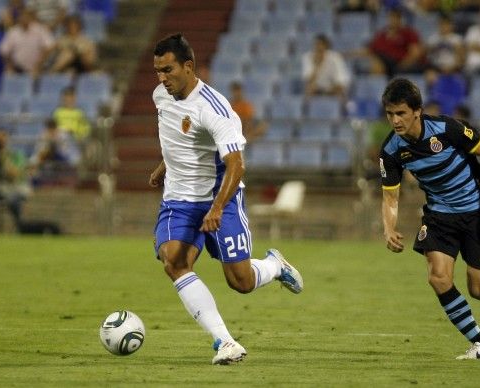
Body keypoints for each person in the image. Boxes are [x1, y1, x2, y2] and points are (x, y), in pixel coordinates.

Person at [148, 34, 304, 365]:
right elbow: (179, 136)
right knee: (174, 261)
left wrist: (218, 207)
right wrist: (165, 164)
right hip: (179, 198)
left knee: (241, 282)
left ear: (188, 67)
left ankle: (275, 265)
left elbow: (236, 164)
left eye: (168, 70)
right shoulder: (161, 95)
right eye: (158, 71)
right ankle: (225, 341)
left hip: (221, 196)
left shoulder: (215, 108)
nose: (162, 78)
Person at [378, 78, 480, 359]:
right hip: (439, 216)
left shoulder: (447, 128)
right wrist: (389, 227)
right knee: (438, 277)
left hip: (477, 210)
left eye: (400, 113)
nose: (395, 120)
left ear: (417, 111)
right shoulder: (391, 150)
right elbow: (390, 196)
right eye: (390, 114)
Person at [0, 8, 55, 77]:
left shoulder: (40, 29)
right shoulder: (13, 32)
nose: (24, 19)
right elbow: (3, 51)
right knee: (8, 75)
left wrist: (39, 64)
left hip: (39, 68)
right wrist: (10, 66)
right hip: (18, 69)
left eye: (27, 16)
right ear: (19, 18)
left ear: (31, 18)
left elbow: (50, 46)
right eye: (22, 16)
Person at [29, 118, 80, 185]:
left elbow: (70, 153)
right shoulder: (44, 135)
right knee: (35, 164)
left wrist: (56, 142)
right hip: (47, 159)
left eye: (53, 129)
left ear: (56, 128)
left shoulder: (64, 135)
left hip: (65, 160)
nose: (51, 131)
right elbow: (38, 152)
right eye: (49, 129)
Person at [302, 34, 351, 99]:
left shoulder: (335, 57)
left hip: (332, 87)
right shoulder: (307, 57)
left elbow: (341, 78)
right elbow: (308, 80)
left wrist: (330, 89)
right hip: (316, 89)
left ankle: (340, 108)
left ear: (326, 46)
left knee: (341, 89)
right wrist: (317, 65)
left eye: (320, 45)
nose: (318, 47)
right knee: (309, 89)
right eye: (316, 45)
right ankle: (307, 108)